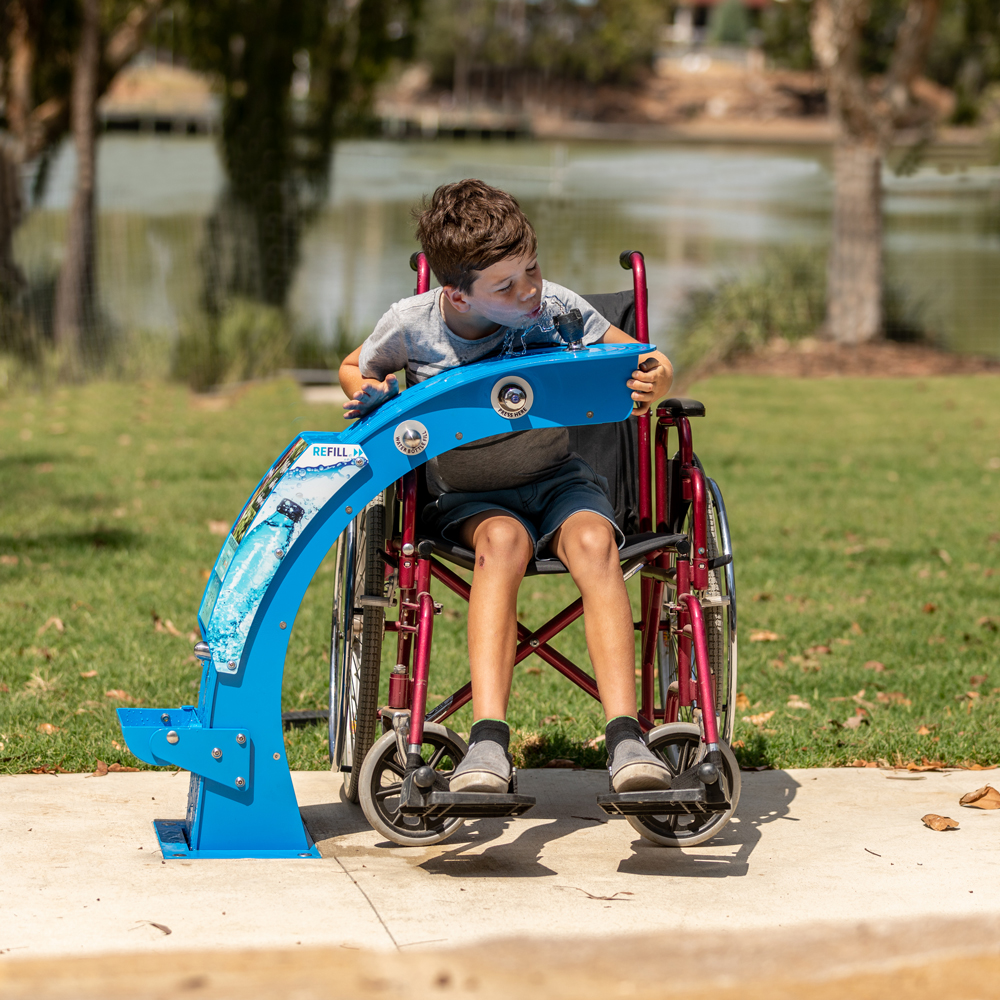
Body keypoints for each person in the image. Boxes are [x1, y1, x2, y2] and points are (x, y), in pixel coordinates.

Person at [338, 179, 674, 796]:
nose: (529, 291)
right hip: (469, 497)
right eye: (506, 285)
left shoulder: (558, 311)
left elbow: (643, 358)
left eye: (533, 270)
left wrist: (658, 375)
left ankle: (626, 737)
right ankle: (488, 741)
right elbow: (355, 365)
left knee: (597, 542)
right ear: (456, 293)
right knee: (502, 541)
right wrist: (371, 393)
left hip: (559, 481)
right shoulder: (413, 325)